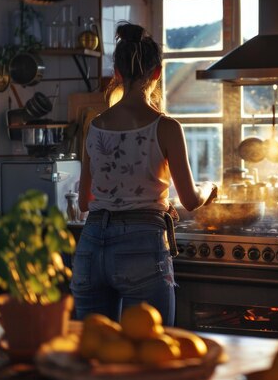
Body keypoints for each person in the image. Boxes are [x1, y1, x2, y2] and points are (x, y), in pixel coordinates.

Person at [71, 21, 217, 326]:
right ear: (157, 73)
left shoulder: (95, 126)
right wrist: (210, 186)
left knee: (95, 356)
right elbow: (189, 199)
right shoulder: (166, 127)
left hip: (91, 245)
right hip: (141, 246)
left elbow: (85, 202)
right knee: (151, 354)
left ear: (118, 73)